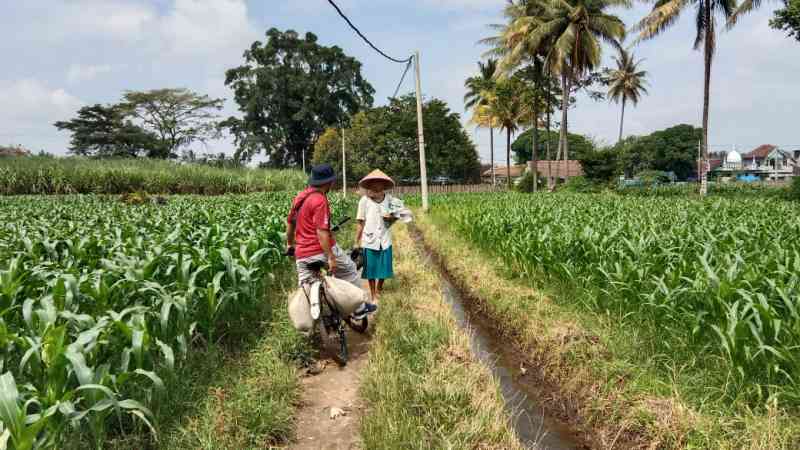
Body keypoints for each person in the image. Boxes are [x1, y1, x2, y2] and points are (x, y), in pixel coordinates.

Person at [286, 163, 377, 319]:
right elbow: (322, 233)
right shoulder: (319, 200)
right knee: (349, 270)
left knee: (304, 289)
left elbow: (290, 223)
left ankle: (310, 327)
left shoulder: (300, 197)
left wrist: (289, 244)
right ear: (328, 182)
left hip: (301, 254)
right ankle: (359, 309)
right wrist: (330, 257)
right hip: (319, 250)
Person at [355, 169, 397, 302]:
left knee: (385, 267)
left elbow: (399, 214)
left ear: (383, 185)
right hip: (369, 239)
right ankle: (373, 293)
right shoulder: (364, 201)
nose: (377, 185)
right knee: (371, 268)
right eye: (374, 183)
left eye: (379, 183)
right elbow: (360, 222)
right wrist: (357, 241)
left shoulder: (390, 199)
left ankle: (379, 288)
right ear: (370, 184)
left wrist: (392, 217)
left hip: (384, 238)